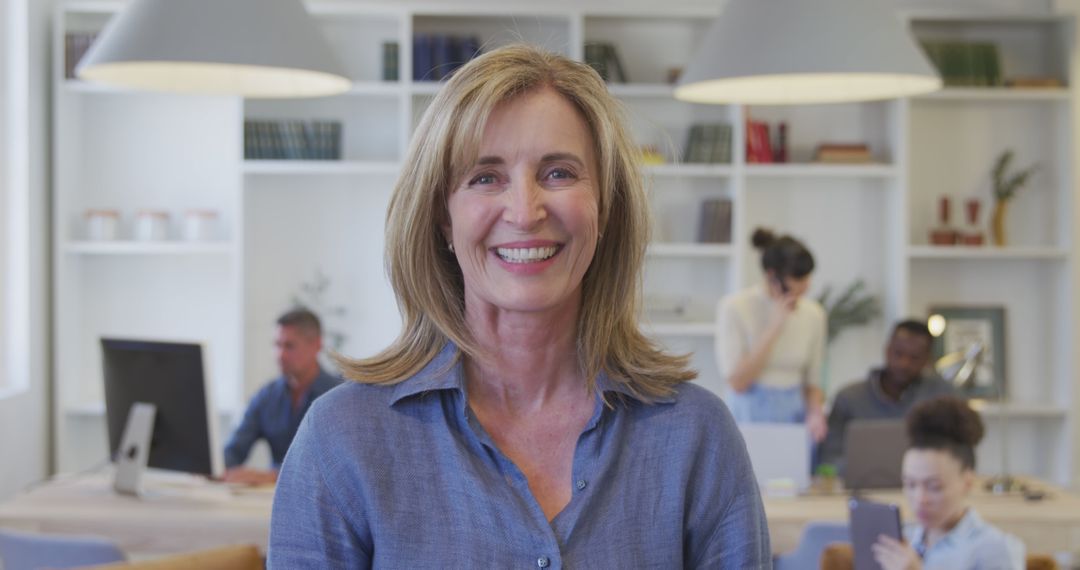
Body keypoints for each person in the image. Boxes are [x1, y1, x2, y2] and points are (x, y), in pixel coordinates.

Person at [268, 44, 769, 567]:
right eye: (485, 177)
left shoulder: (697, 437)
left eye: (559, 173)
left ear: (606, 208)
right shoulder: (342, 439)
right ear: (443, 216)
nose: (525, 213)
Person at [873, 396, 1025, 570]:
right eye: (910, 484)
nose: (920, 499)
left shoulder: (994, 550)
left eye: (934, 487)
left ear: (967, 482)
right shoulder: (901, 540)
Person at [715, 227, 828, 441]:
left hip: (794, 415)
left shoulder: (814, 314)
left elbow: (813, 379)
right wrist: (774, 327)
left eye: (807, 277)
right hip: (747, 415)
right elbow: (738, 382)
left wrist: (816, 413)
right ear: (772, 276)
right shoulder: (734, 307)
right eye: (798, 278)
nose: (806, 286)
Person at [223, 308, 341, 485]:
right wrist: (218, 468)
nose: (280, 355)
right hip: (268, 497)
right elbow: (234, 450)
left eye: (289, 346)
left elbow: (334, 467)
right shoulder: (267, 396)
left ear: (316, 345)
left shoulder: (338, 397)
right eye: (277, 345)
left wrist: (273, 475)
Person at [819, 320, 957, 469]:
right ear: (887, 350)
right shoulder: (849, 398)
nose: (904, 363)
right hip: (862, 480)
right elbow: (829, 458)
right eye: (898, 353)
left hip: (927, 479)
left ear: (927, 360)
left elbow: (959, 449)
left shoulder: (942, 396)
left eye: (914, 357)